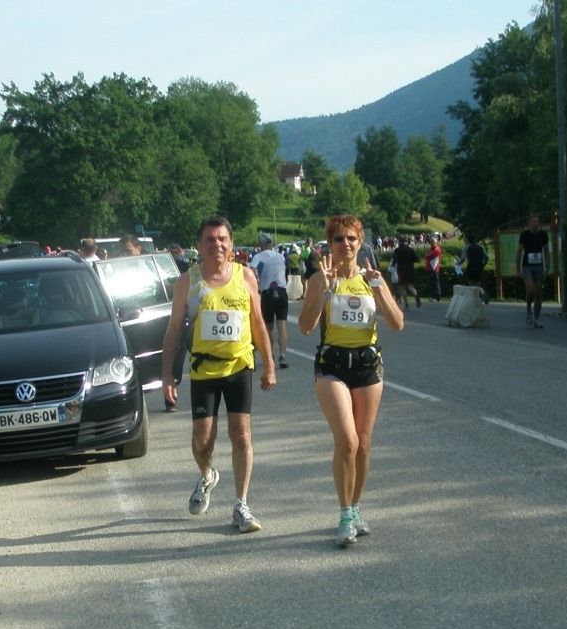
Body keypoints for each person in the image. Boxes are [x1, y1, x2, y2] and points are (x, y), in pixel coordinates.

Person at [161, 215, 277, 533]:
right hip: (203, 369)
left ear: (231, 243)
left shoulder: (246, 276)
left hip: (239, 365)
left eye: (222, 238)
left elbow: (257, 322)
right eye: (210, 239)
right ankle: (207, 474)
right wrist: (167, 375)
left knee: (241, 435)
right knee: (202, 441)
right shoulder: (187, 281)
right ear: (199, 246)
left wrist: (268, 364)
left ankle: (241, 505)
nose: (217, 244)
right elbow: (173, 330)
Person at [299, 215, 405, 547]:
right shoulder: (320, 279)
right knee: (347, 441)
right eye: (338, 239)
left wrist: (379, 288)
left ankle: (356, 506)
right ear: (328, 245)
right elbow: (304, 326)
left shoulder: (373, 278)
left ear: (361, 243)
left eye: (351, 238)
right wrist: (324, 290)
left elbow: (397, 323)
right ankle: (345, 514)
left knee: (364, 442)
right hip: (332, 365)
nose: (345, 244)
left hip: (367, 365)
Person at [249, 233, 290, 369]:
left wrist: (256, 286)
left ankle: (270, 354)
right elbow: (286, 271)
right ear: (271, 244)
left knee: (268, 328)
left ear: (261, 245)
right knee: (282, 326)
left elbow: (251, 272)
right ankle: (283, 355)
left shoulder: (258, 257)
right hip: (282, 291)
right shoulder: (280, 256)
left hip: (267, 292)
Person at [516, 214, 549, 328]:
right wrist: (518, 269)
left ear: (539, 223)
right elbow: (519, 251)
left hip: (539, 266)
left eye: (537, 222)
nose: (535, 224)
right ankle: (528, 309)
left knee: (538, 292)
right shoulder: (524, 235)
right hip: (527, 266)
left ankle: (537, 319)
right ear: (530, 223)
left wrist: (547, 267)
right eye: (533, 221)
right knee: (530, 290)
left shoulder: (543, 234)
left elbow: (546, 251)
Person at [456, 237, 490, 303]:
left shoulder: (467, 248)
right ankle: (483, 294)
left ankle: (474, 300)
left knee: (471, 284)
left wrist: (458, 263)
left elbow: (463, 258)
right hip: (479, 267)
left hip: (471, 267)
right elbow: (486, 257)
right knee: (478, 284)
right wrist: (483, 265)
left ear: (468, 240)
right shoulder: (480, 247)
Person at [390, 237, 420, 310]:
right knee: (410, 286)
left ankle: (406, 304)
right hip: (410, 269)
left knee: (402, 287)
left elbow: (394, 260)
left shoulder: (397, 251)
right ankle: (416, 295)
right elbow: (416, 259)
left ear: (399, 242)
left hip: (401, 270)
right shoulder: (410, 250)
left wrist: (393, 265)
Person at [425, 236, 443, 302]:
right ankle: (433, 297)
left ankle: (437, 297)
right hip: (431, 268)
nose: (431, 244)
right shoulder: (432, 249)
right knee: (432, 283)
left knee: (435, 283)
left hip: (434, 268)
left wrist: (427, 255)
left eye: (432, 242)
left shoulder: (437, 250)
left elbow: (427, 256)